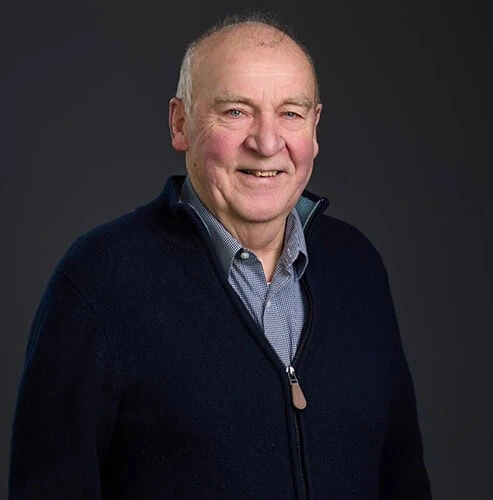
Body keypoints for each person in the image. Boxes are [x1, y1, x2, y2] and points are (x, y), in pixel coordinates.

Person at [9, 13, 432, 499]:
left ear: (314, 128)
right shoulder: (99, 281)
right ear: (180, 123)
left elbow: (404, 481)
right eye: (235, 111)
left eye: (290, 114)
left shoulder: (357, 267)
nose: (267, 143)